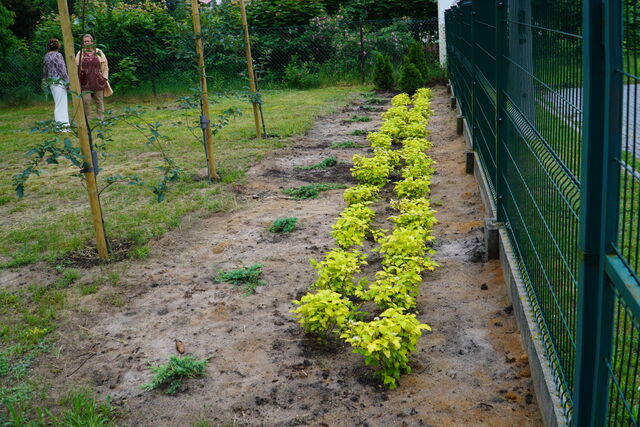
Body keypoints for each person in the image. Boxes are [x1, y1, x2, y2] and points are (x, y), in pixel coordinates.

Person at [75, 34, 112, 121]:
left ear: (92, 42)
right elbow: (76, 67)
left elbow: (105, 65)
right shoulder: (80, 53)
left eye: (88, 41)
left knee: (99, 100)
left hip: (98, 80)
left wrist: (105, 78)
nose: (86, 43)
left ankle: (101, 118)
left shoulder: (99, 52)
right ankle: (87, 120)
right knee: (86, 101)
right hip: (85, 81)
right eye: (84, 41)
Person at [42, 38, 70, 130]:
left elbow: (45, 70)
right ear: (58, 46)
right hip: (59, 81)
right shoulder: (58, 55)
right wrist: (67, 82)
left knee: (58, 103)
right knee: (61, 104)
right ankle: (62, 126)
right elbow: (62, 70)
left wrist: (45, 82)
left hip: (51, 82)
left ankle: (63, 125)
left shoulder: (46, 56)